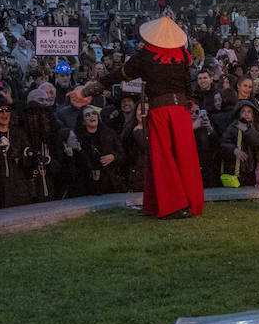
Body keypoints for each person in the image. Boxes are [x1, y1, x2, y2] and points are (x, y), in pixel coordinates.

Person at [80, 15, 204, 219]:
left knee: (162, 158)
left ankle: (172, 205)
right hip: (180, 111)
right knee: (185, 156)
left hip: (161, 111)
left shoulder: (146, 55)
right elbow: (187, 85)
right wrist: (188, 104)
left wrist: (90, 89)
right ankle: (189, 202)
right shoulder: (182, 54)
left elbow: (119, 74)